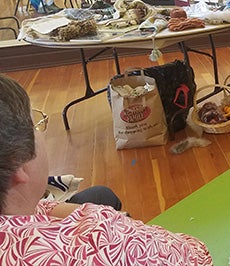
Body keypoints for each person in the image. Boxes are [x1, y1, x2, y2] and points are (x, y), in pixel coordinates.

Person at [0, 74, 212, 265]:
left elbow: (37, 211)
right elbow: (195, 256)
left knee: (101, 195)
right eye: (35, 125)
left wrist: (92, 215)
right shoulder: (97, 241)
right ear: (20, 163)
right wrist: (109, 223)